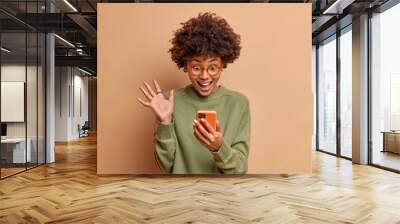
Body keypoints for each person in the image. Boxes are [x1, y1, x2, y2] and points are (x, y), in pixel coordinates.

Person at [137, 12, 250, 174]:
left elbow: (240, 169)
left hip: (223, 195)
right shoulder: (169, 102)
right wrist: (165, 122)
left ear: (223, 65)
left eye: (212, 67)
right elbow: (164, 167)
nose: (204, 76)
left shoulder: (239, 104)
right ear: (185, 66)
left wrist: (219, 148)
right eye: (196, 67)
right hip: (180, 193)